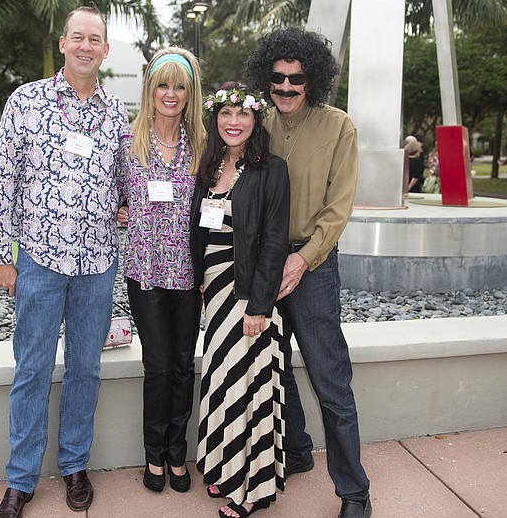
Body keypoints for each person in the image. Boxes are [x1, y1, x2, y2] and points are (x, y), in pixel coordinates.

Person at [0, 5, 129, 517]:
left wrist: (130, 206)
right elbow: (2, 180)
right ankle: (20, 480)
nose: (86, 46)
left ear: (105, 50)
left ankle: (74, 466)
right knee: (32, 368)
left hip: (97, 264)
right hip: (39, 260)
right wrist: (0, 255)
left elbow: (123, 181)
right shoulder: (26, 101)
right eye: (78, 37)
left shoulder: (117, 113)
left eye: (95, 39)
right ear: (63, 43)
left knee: (85, 369)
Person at [246, 27, 372, 518]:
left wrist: (302, 260)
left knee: (330, 379)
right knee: (273, 365)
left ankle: (354, 491)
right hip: (264, 264)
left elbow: (338, 209)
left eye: (296, 79)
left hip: (312, 265)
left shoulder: (339, 127)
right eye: (277, 78)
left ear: (311, 79)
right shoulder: (256, 123)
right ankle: (296, 449)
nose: (286, 87)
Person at [190, 82, 289, 518]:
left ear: (255, 119)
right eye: (226, 114)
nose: (233, 122)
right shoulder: (209, 165)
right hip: (214, 293)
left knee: (250, 386)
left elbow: (274, 243)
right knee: (221, 379)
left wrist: (258, 306)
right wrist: (200, 277)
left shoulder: (271, 170)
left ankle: (253, 490)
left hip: (246, 293)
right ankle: (224, 468)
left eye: (242, 114)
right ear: (215, 119)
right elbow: (201, 228)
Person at [117, 47, 205, 493]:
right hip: (145, 271)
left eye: (180, 86)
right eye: (163, 85)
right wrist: (119, 211)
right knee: (158, 366)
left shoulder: (203, 146)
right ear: (150, 89)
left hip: (189, 274)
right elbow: (111, 196)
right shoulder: (127, 141)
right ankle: (153, 454)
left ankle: (176, 451)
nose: (171, 94)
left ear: (190, 94)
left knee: (183, 365)